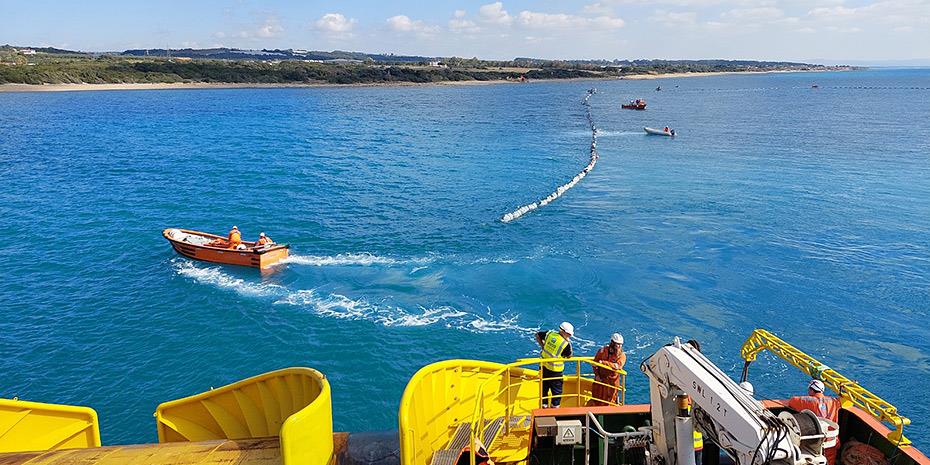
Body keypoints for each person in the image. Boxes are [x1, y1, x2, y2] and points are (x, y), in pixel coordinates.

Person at [788, 380, 840, 465]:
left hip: (814, 442)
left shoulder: (806, 400)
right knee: (830, 461)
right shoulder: (834, 401)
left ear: (811, 390)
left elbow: (792, 401)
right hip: (831, 441)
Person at [535, 322, 574, 408]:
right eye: (568, 333)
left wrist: (543, 346)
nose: (569, 335)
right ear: (562, 331)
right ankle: (554, 409)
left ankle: (543, 407)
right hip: (555, 371)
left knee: (544, 389)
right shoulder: (565, 344)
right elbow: (569, 356)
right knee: (557, 393)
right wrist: (569, 342)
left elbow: (537, 335)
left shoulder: (549, 334)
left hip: (543, 367)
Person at [588, 333, 627, 406]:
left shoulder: (621, 355)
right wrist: (596, 375)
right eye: (617, 344)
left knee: (610, 400)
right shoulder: (602, 351)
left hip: (612, 382)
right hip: (600, 379)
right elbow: (594, 363)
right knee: (596, 396)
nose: (619, 346)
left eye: (620, 344)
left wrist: (603, 363)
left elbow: (617, 366)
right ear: (612, 343)